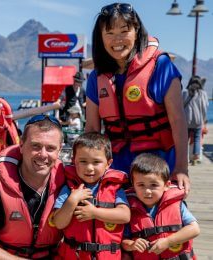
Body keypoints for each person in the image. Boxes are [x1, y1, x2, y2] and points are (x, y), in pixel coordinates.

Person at [85, 3, 190, 195]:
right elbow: (92, 130)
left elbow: (178, 121)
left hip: (158, 168)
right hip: (116, 170)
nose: (117, 40)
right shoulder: (96, 78)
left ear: (137, 32)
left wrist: (182, 168)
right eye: (109, 33)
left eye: (124, 31)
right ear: (100, 38)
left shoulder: (162, 66)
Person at [0, 114, 65, 259]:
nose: (43, 155)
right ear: (22, 145)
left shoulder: (68, 186)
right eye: (35, 146)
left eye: (50, 148)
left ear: (59, 151)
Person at [52, 132, 130, 259]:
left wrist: (94, 213)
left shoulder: (115, 188)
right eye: (83, 161)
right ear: (74, 161)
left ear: (108, 163)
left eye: (96, 162)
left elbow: (125, 216)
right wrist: (72, 200)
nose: (89, 168)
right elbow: (59, 223)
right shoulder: (69, 189)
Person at [122, 153, 200, 259]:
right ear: (133, 185)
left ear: (166, 185)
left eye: (154, 185)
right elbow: (123, 241)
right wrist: (132, 245)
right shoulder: (129, 209)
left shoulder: (177, 205)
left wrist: (168, 241)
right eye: (141, 185)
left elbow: (195, 229)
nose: (147, 191)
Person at [183, 75, 209, 165]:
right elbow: (205, 107)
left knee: (185, 139)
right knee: (197, 138)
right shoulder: (203, 93)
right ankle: (195, 156)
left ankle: (184, 157)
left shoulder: (185, 92)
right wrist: (204, 119)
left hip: (186, 120)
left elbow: (180, 106)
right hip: (198, 120)